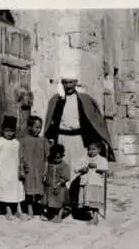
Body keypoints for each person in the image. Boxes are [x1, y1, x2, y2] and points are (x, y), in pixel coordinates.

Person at [42, 68, 115, 207]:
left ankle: (78, 201)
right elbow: (51, 121)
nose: (68, 85)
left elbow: (93, 119)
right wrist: (51, 137)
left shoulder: (84, 99)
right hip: (62, 139)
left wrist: (97, 139)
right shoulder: (56, 100)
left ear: (76, 83)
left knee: (78, 169)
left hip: (79, 140)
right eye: (65, 82)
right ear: (62, 83)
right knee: (63, 170)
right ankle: (63, 203)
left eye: (71, 82)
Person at [0, 115, 27, 220]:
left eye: (11, 131)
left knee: (17, 190)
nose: (9, 133)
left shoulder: (16, 143)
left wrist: (21, 168)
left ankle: (19, 210)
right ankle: (8, 211)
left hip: (14, 171)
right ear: (2, 130)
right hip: (3, 171)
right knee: (6, 190)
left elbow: (20, 156)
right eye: (7, 131)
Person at [19, 115, 50, 218]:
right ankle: (30, 210)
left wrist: (45, 171)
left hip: (39, 170)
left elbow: (47, 158)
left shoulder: (43, 140)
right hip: (29, 170)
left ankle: (41, 211)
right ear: (29, 127)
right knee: (29, 191)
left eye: (40, 127)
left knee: (40, 192)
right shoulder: (24, 140)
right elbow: (21, 156)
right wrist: (22, 169)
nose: (38, 130)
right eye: (36, 127)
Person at [75, 141, 108, 225]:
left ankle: (95, 217)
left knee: (95, 201)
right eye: (89, 149)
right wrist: (82, 169)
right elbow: (76, 168)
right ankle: (90, 216)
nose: (91, 151)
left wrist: (97, 167)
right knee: (87, 201)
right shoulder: (84, 158)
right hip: (86, 183)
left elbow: (105, 169)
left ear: (99, 150)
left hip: (95, 183)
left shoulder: (102, 159)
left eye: (94, 149)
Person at [42, 144, 70, 223]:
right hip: (49, 187)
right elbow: (45, 173)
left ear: (62, 156)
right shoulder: (49, 164)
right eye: (54, 158)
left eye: (58, 158)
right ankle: (51, 214)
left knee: (60, 202)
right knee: (49, 201)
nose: (56, 160)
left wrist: (58, 184)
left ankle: (59, 216)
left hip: (60, 187)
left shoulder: (64, 166)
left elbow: (66, 177)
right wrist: (45, 177)